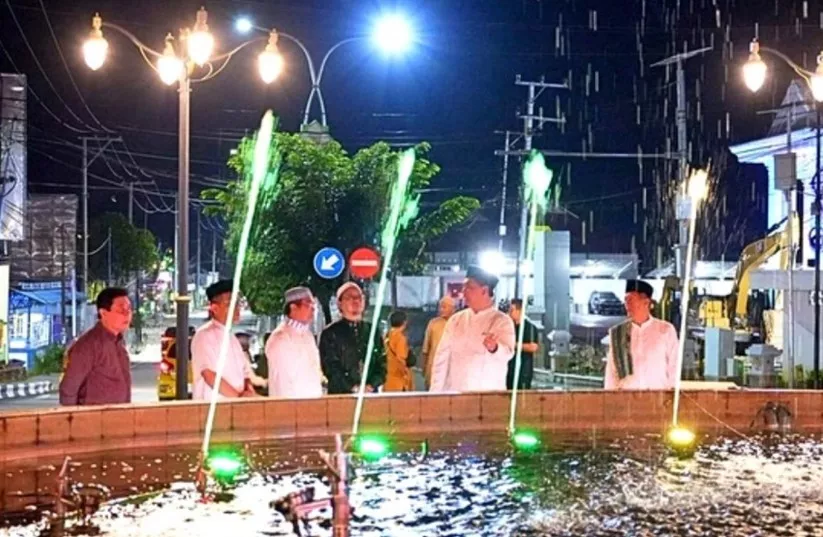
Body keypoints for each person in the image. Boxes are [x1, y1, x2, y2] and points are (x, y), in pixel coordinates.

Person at [430, 265, 515, 392]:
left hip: (488, 396)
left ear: (484, 291)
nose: (463, 292)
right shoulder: (456, 320)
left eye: (469, 288)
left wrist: (495, 348)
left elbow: (508, 353)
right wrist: (435, 392)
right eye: (464, 287)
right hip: (455, 393)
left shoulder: (501, 321)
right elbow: (442, 358)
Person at [59, 287, 133, 405]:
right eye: (121, 310)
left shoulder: (119, 343)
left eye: (129, 309)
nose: (127, 315)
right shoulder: (88, 346)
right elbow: (68, 389)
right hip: (93, 420)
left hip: (119, 419)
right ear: (103, 313)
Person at [604, 279, 679, 390]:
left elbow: (674, 365)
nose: (627, 305)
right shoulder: (618, 333)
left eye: (631, 300)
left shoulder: (666, 330)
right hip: (627, 399)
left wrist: (672, 394)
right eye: (625, 300)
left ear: (646, 302)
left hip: (658, 398)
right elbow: (612, 372)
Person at [191, 280, 257, 400]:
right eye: (230, 304)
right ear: (215, 308)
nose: (236, 308)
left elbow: (245, 373)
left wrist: (248, 391)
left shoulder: (232, 338)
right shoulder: (204, 336)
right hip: (214, 410)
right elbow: (209, 375)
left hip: (236, 408)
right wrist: (238, 398)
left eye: (237, 303)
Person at [319, 282, 386, 394]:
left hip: (370, 395)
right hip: (341, 396)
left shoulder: (372, 330)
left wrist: (371, 385)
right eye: (350, 298)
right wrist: (353, 387)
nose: (356, 301)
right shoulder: (330, 333)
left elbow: (382, 363)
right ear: (340, 303)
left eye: (359, 297)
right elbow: (330, 368)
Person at [266, 286, 325, 398]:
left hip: (314, 405)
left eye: (314, 304)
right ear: (293, 307)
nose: (313, 308)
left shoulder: (308, 335)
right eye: (308, 304)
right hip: (291, 408)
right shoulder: (280, 338)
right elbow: (282, 384)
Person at [421, 296, 456, 389]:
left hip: (452, 369)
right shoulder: (433, 323)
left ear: (453, 309)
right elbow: (425, 348)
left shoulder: (458, 323)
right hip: (433, 367)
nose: (441, 309)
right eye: (440, 307)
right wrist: (424, 368)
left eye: (444, 307)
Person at [507, 298, 539, 390]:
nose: (509, 313)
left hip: (523, 369)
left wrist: (514, 345)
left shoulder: (530, 327)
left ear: (520, 310)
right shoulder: (508, 327)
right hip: (509, 369)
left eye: (512, 310)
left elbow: (533, 347)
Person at [384, 310, 414, 392]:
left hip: (387, 379)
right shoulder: (400, 338)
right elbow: (400, 358)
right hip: (399, 381)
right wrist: (405, 374)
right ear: (404, 322)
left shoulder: (386, 336)